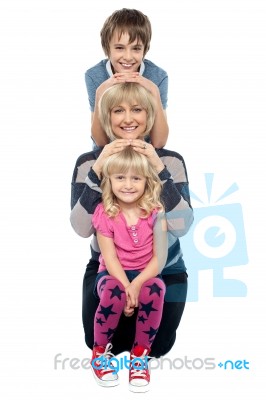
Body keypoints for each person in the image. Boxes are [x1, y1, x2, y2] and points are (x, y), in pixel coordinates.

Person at [70, 82, 193, 384]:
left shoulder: (170, 160)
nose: (128, 118)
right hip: (110, 268)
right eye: (118, 110)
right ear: (106, 116)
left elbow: (182, 225)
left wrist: (158, 169)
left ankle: (140, 357)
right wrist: (98, 170)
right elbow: (81, 228)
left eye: (137, 109)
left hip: (161, 268)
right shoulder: (89, 162)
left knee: (159, 346)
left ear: (149, 115)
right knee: (98, 338)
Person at [90, 146, 167, 391]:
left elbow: (160, 257)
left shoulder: (155, 212)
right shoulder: (105, 212)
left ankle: (140, 356)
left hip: (145, 274)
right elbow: (109, 258)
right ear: (109, 180)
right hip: (111, 275)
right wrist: (125, 286)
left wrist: (136, 285)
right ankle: (100, 352)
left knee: (156, 288)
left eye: (136, 178)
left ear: (147, 181)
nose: (128, 184)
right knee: (112, 289)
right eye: (120, 178)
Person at [85, 8, 169, 148]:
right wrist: (100, 93)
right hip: (110, 156)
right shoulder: (94, 75)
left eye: (136, 49)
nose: (128, 57)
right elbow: (101, 143)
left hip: (143, 155)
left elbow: (159, 143)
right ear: (107, 48)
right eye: (119, 48)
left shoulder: (157, 76)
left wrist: (154, 91)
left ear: (144, 49)